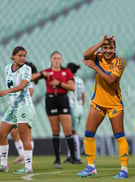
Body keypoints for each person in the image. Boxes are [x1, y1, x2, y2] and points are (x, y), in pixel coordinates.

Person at [77, 35, 129, 179]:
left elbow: (111, 80)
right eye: (105, 48)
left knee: (119, 136)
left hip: (114, 104)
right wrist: (101, 41)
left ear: (115, 48)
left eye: (110, 48)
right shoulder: (98, 55)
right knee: (88, 134)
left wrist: (94, 66)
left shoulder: (120, 61)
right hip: (98, 103)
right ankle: (91, 166)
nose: (107, 51)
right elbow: (86, 55)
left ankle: (124, 169)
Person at [31, 51, 80, 167]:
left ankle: (73, 157)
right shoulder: (47, 72)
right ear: (51, 60)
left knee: (68, 131)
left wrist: (58, 83)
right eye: (54, 58)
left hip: (63, 99)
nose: (57, 60)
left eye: (58, 58)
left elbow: (72, 87)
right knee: (55, 131)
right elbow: (31, 78)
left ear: (61, 60)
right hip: (51, 100)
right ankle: (57, 159)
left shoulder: (66, 72)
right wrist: (42, 74)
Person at [0, 46, 34, 173]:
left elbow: (22, 86)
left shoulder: (27, 69)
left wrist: (6, 91)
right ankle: (3, 164)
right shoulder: (7, 68)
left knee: (24, 136)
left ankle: (28, 167)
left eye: (24, 56)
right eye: (20, 55)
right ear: (13, 56)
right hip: (12, 107)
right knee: (1, 134)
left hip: (24, 106)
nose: (22, 58)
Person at [11, 61, 37, 165]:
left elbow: (30, 92)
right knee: (16, 132)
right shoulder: (23, 78)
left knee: (25, 133)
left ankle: (26, 157)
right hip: (21, 108)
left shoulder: (27, 79)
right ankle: (23, 155)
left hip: (25, 108)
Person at [64, 63, 85, 163]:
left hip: (72, 108)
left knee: (72, 132)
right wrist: (81, 105)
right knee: (71, 132)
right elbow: (83, 95)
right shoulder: (80, 80)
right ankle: (70, 155)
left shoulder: (70, 80)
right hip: (80, 107)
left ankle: (76, 156)